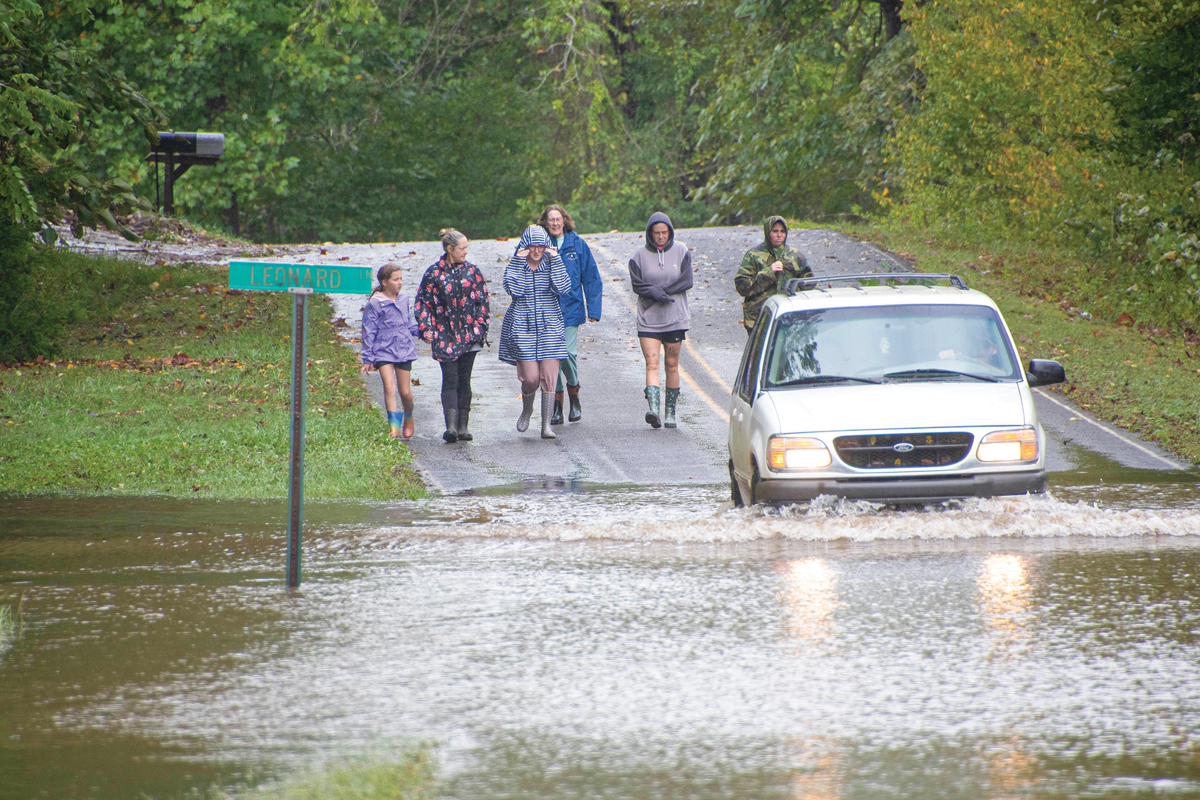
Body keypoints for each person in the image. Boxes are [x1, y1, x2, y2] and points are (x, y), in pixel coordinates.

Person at [414, 228, 490, 443]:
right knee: (450, 379)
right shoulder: (433, 273)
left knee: (465, 380)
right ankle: (450, 427)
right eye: (462, 248)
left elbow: (482, 302)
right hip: (444, 335)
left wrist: (480, 328)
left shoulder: (473, 271)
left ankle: (463, 426)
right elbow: (423, 303)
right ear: (450, 249)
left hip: (469, 334)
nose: (466, 252)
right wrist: (426, 327)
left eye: (466, 248)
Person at [498, 225, 571, 439]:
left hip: (550, 327)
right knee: (531, 379)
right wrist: (518, 262)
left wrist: (556, 260)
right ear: (525, 246)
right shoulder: (517, 264)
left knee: (549, 376)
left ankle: (546, 425)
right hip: (523, 326)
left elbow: (563, 288)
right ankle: (527, 409)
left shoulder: (551, 263)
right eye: (532, 246)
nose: (536, 250)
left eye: (540, 246)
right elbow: (514, 290)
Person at [537, 204, 603, 425]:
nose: (555, 223)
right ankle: (557, 405)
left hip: (571, 308)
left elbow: (591, 277)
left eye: (558, 219)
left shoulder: (578, 244)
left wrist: (593, 309)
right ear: (544, 223)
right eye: (551, 220)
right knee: (550, 359)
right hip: (546, 311)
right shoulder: (539, 245)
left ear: (564, 221)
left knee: (567, 354)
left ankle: (574, 393)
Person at [628, 211, 692, 429]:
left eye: (664, 232)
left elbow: (687, 280)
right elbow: (637, 284)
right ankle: (653, 410)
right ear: (650, 233)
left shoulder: (681, 251)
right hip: (649, 318)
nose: (661, 236)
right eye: (656, 233)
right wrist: (654, 293)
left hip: (675, 317)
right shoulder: (638, 256)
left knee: (672, 364)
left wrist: (664, 292)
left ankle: (670, 413)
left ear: (670, 232)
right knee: (652, 363)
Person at [359, 264, 419, 438]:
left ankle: (408, 416)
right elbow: (368, 330)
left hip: (403, 347)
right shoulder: (375, 303)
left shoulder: (404, 298)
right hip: (383, 348)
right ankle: (393, 426)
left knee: (405, 392)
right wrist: (368, 358)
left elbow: (407, 322)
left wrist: (421, 331)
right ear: (384, 282)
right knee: (389, 386)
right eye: (395, 279)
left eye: (401, 278)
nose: (400, 282)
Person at [734, 215, 812, 335]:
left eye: (782, 231)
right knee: (761, 353)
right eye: (775, 231)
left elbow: (810, 287)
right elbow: (742, 287)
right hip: (759, 319)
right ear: (767, 232)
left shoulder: (796, 256)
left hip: (790, 318)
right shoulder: (753, 256)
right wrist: (769, 272)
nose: (779, 235)